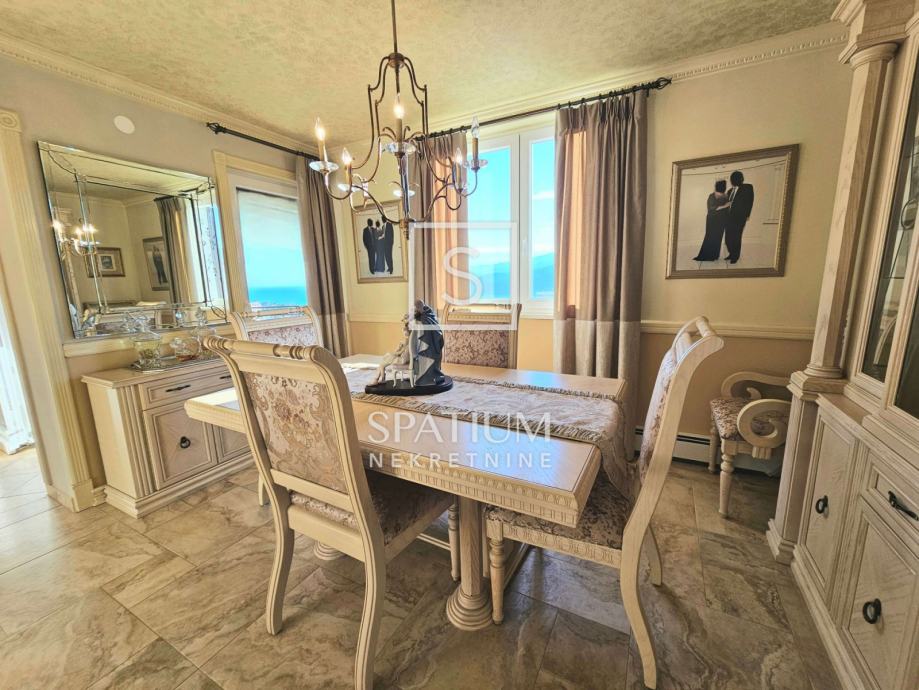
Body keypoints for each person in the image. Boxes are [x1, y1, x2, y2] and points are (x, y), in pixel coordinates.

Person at [693, 179, 730, 262]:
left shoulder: (725, 196)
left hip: (721, 221)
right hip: (712, 220)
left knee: (718, 238)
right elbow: (711, 208)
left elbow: (727, 210)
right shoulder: (712, 196)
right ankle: (707, 255)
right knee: (710, 236)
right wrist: (725, 205)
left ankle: (714, 255)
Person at [725, 170, 754, 264]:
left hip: (739, 218)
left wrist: (747, 215)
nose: (732, 181)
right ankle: (731, 253)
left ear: (740, 179)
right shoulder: (729, 191)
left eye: (734, 178)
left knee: (736, 237)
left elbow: (750, 201)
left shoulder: (747, 187)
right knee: (728, 239)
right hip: (729, 218)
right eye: (732, 179)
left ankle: (735, 256)